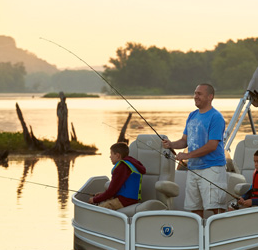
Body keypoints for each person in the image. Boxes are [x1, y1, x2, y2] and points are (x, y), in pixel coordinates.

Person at [162, 83, 227, 217]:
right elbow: (184, 141)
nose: (195, 96)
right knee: (195, 207)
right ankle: (199, 234)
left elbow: (212, 145)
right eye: (195, 93)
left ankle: (221, 234)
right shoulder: (192, 116)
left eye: (199, 94)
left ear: (210, 97)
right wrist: (171, 144)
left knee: (216, 207)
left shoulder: (216, 117)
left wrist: (187, 155)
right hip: (193, 169)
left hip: (212, 168)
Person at [88, 142, 146, 210]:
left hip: (124, 201)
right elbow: (117, 190)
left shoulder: (121, 167)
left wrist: (94, 200)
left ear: (118, 155)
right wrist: (102, 195)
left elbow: (111, 192)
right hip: (130, 199)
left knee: (99, 209)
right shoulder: (130, 163)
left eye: (111, 153)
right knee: (102, 200)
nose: (110, 156)